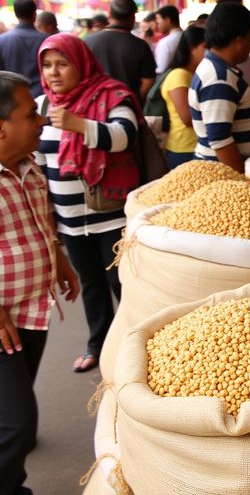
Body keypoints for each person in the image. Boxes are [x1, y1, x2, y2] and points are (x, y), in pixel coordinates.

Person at [35, 33, 141, 373]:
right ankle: (98, 343)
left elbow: (126, 136)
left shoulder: (111, 95)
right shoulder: (40, 106)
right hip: (67, 218)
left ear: (80, 63)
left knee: (122, 282)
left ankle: (135, 343)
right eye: (47, 65)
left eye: (62, 64)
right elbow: (36, 161)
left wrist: (78, 125)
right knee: (91, 283)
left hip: (110, 216)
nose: (54, 72)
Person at [0, 71, 79, 495]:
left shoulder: (29, 168)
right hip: (3, 319)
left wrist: (60, 259)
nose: (41, 121)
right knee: (17, 422)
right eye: (31, 114)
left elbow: (42, 223)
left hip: (30, 308)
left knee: (11, 410)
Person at [189, 2, 250, 173]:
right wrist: (240, 181)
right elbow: (220, 139)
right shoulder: (219, 79)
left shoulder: (219, 70)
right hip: (221, 176)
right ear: (238, 40)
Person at [85, 0, 157, 102]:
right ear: (133, 17)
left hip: (94, 107)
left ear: (109, 14)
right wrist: (134, 101)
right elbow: (148, 81)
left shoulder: (88, 42)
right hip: (128, 108)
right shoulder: (141, 46)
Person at [159, 26, 204, 169]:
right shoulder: (179, 75)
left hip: (192, 146)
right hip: (184, 148)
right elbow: (187, 118)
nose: (209, 52)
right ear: (192, 48)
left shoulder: (192, 74)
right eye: (205, 47)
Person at [0, 0, 49, 98]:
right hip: (43, 96)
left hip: (12, 98)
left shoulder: (2, 40)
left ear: (16, 14)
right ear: (34, 15)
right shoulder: (47, 40)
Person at [154, 5, 183, 74]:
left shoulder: (165, 43)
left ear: (167, 20)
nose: (157, 26)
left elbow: (161, 69)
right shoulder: (187, 36)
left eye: (158, 23)